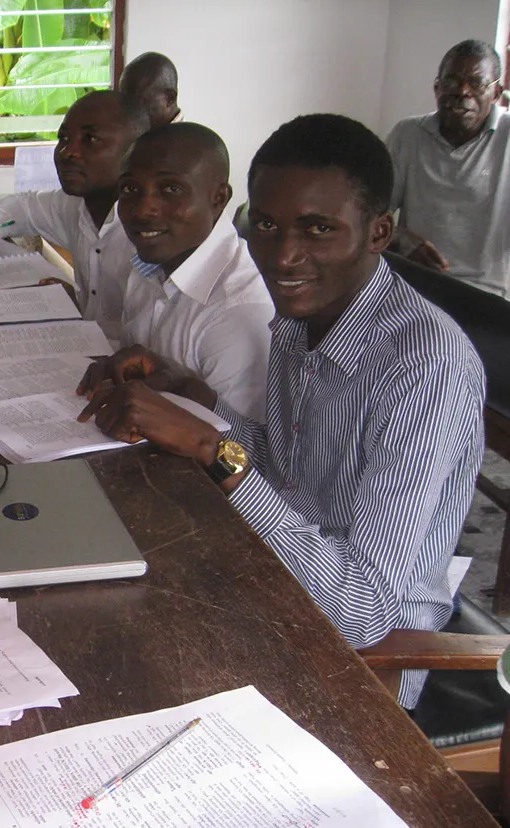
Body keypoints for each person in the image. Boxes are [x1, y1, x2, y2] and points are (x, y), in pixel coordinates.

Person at [79, 114, 485, 709]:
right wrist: (190, 394)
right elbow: (284, 461)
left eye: (318, 230)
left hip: (372, 655)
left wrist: (213, 450)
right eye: (266, 225)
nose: (283, 256)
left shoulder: (425, 369)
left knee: (121, 675)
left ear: (379, 232)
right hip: (274, 574)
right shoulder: (307, 317)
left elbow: (361, 609)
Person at [79, 123, 273, 420]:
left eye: (171, 189)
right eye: (130, 189)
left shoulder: (237, 314)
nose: (143, 210)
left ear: (218, 199)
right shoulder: (149, 263)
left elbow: (235, 451)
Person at [0, 90, 150, 333]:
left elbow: (147, 344)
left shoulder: (150, 235)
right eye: (64, 138)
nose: (68, 152)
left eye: (91, 139)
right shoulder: (76, 205)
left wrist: (80, 316)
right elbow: (24, 207)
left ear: (135, 150)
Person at [386, 39, 509, 298]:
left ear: (496, 94)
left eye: (477, 84)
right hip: (414, 285)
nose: (463, 92)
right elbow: (368, 214)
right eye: (452, 82)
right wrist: (400, 239)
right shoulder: (407, 134)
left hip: (487, 296)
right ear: (437, 88)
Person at [120, 52, 182, 129]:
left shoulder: (186, 140)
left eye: (139, 104)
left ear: (169, 98)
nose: (129, 114)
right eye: (126, 103)